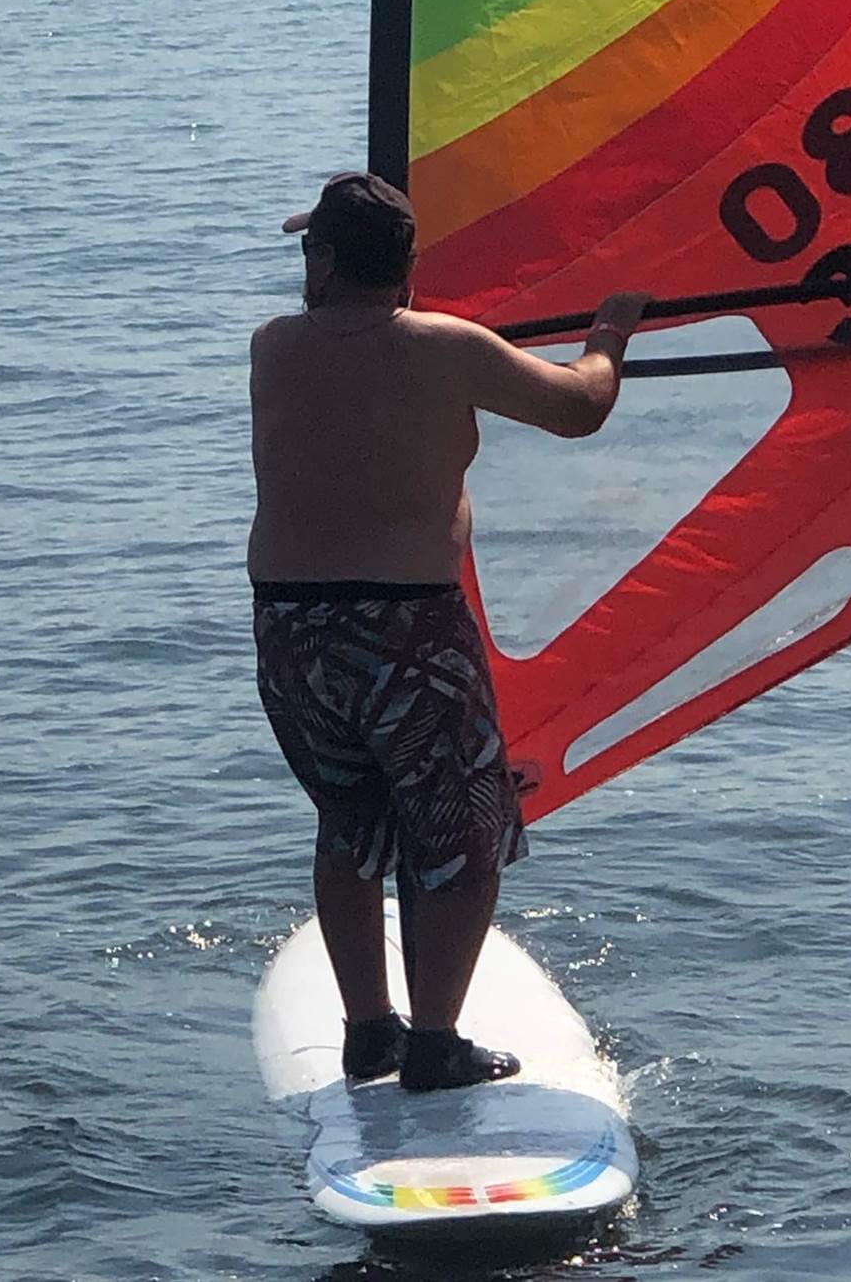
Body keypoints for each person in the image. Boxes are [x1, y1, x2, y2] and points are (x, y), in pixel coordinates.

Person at [248, 170, 648, 1093]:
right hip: (406, 632)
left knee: (349, 821)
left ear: (326, 261)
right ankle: (432, 1043)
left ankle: (368, 1032)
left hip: (291, 632)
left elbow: (356, 344)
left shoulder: (272, 347)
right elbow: (581, 406)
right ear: (408, 266)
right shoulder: (446, 347)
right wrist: (609, 332)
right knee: (463, 832)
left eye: (310, 248)